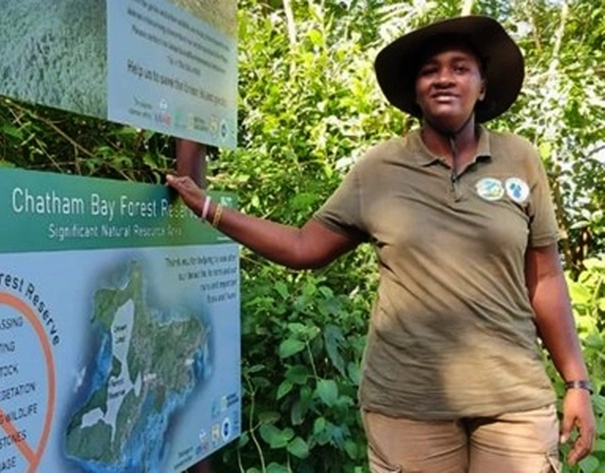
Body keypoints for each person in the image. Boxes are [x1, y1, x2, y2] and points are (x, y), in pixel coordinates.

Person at [166, 15, 595, 472]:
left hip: (514, 404)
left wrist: (577, 382)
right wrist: (210, 209)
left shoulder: (520, 160)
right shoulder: (379, 170)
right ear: (415, 91)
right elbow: (302, 247)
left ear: (483, 86)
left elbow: (545, 278)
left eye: (460, 67)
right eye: (430, 70)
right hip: (407, 403)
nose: (444, 78)